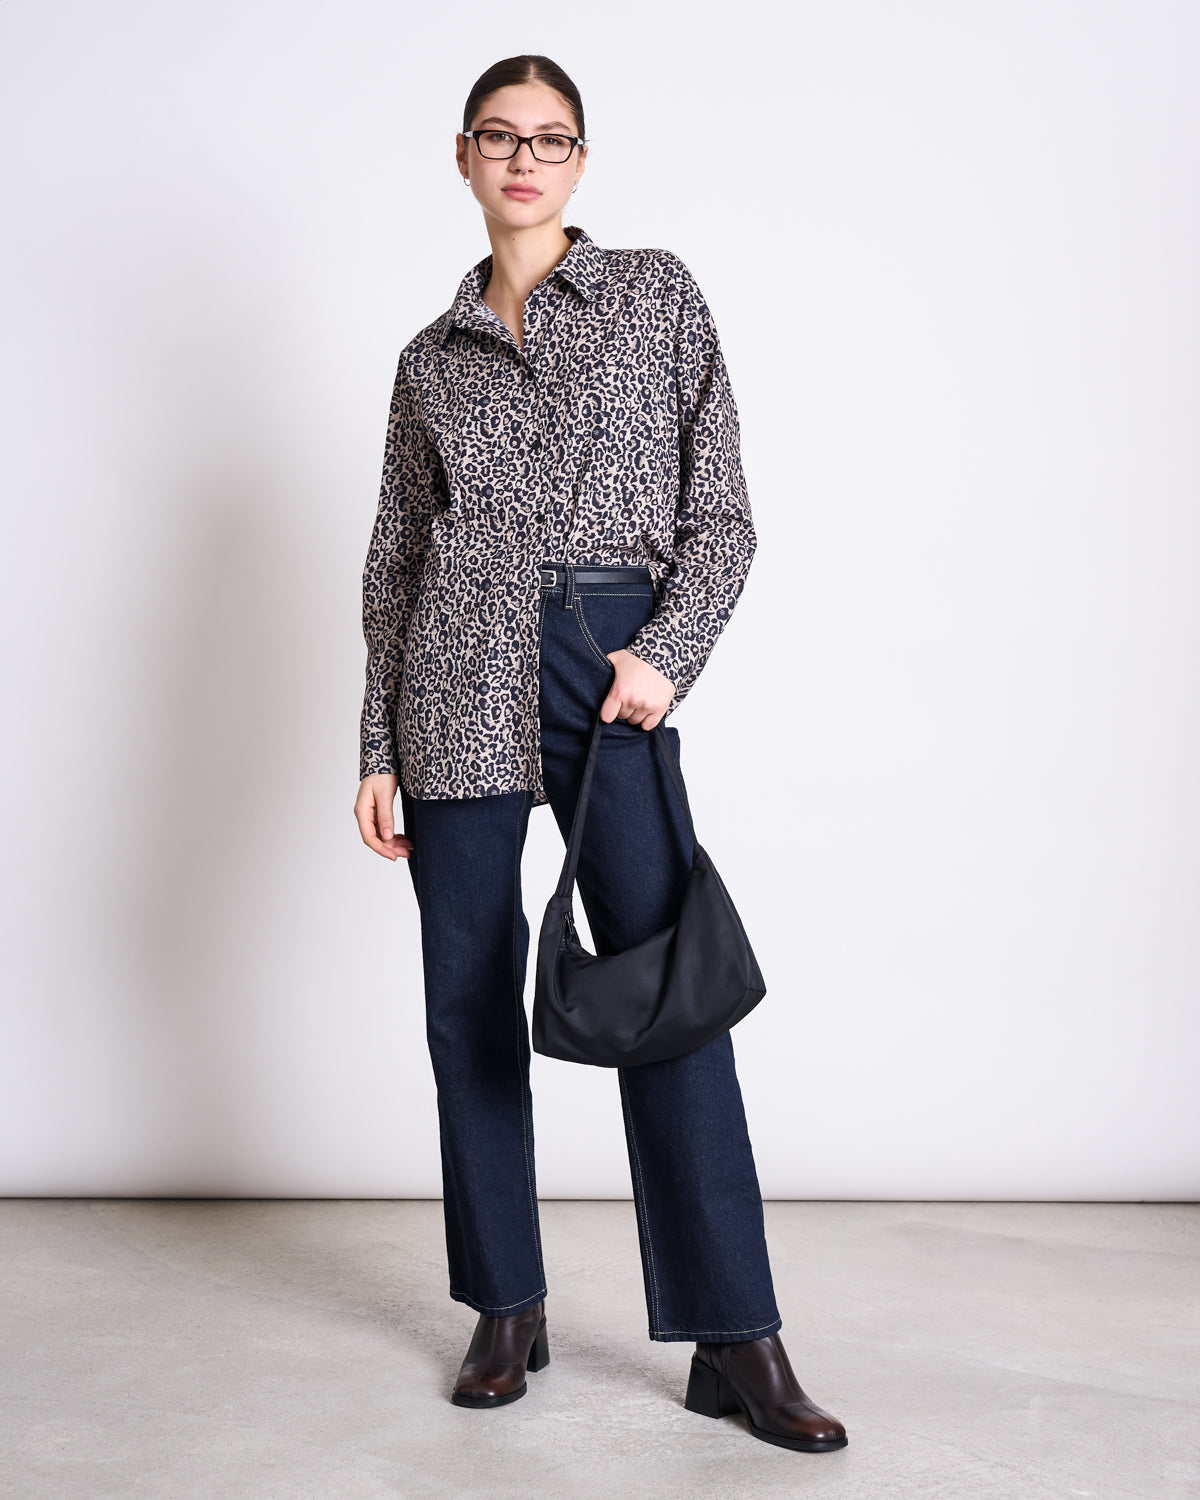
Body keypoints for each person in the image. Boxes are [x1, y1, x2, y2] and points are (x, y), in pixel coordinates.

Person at [352, 53, 848, 1454]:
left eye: (550, 138)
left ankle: (735, 1336)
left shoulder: (656, 294)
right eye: (500, 138)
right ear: (463, 157)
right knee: (467, 998)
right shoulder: (428, 357)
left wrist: (666, 654)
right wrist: (377, 740)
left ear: (580, 161)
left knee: (664, 991)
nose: (525, 159)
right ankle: (505, 1304)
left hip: (609, 662)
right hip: (452, 670)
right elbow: (395, 559)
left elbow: (726, 513)